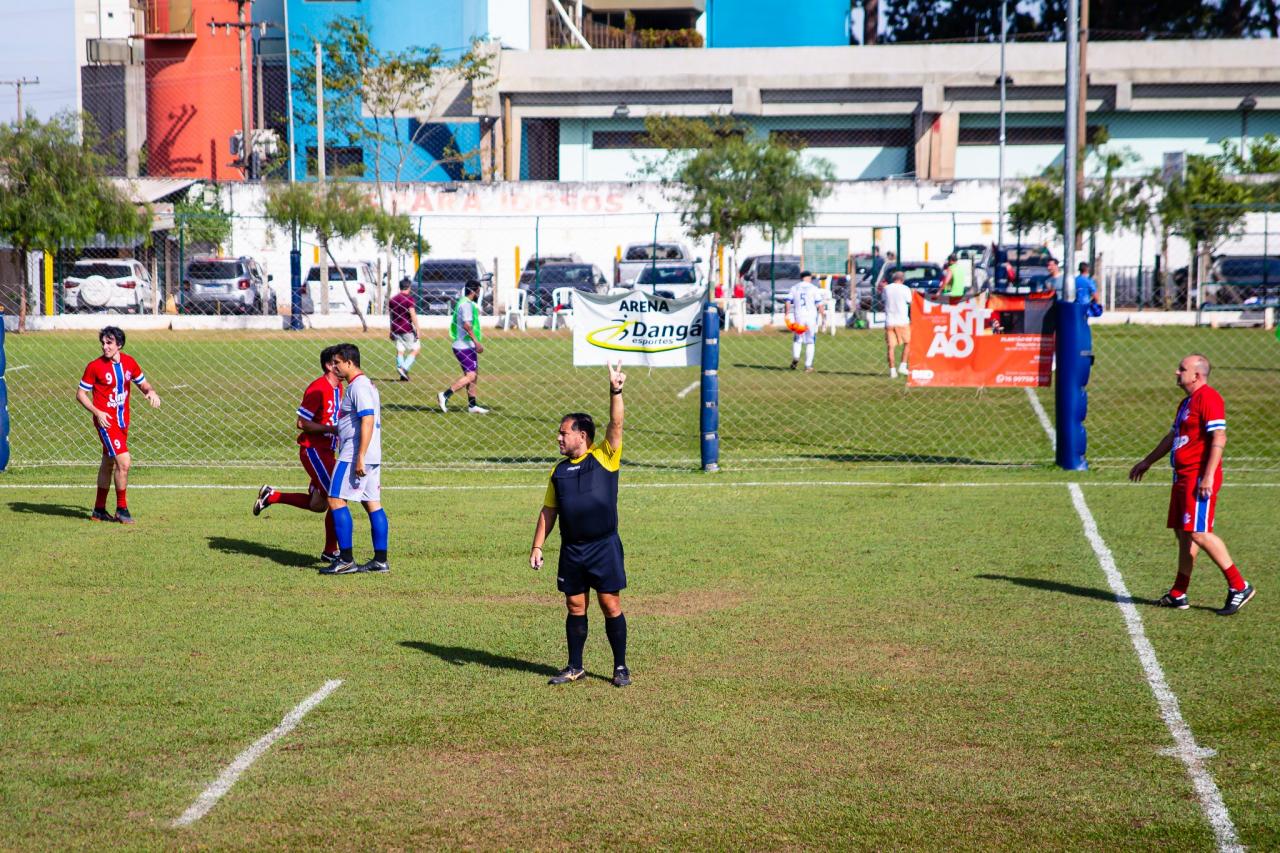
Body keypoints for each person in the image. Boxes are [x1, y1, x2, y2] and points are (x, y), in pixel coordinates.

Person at [1128, 354, 1255, 615]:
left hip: (1198, 476)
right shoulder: (1186, 403)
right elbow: (1173, 435)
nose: (1177, 372)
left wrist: (1208, 476)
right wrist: (1147, 461)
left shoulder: (1209, 398)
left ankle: (1239, 585)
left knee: (1198, 532)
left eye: (1182, 369)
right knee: (1184, 533)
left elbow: (1219, 435)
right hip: (1182, 476)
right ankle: (1178, 592)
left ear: (1196, 375)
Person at [530, 363, 631, 688]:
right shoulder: (558, 472)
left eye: (564, 432)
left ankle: (619, 667)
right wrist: (537, 546)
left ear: (582, 436)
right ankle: (575, 666)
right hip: (573, 550)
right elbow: (548, 512)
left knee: (609, 603)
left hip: (603, 546)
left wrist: (615, 390)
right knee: (575, 605)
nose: (559, 437)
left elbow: (616, 423)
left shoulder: (604, 456)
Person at [253, 345, 343, 562]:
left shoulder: (340, 388)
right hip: (314, 450)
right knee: (337, 495)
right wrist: (331, 429)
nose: (344, 365)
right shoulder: (317, 388)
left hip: (328, 452)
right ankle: (331, 551)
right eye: (340, 361)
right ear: (329, 365)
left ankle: (272, 496)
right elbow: (301, 422)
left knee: (318, 505)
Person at [76, 326, 161, 523]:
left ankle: (98, 510)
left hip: (123, 422)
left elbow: (143, 383)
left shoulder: (129, 363)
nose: (105, 347)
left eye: (109, 343)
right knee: (124, 462)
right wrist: (97, 412)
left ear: (119, 345)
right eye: (103, 343)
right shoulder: (94, 366)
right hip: (106, 422)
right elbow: (80, 394)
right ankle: (122, 510)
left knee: (108, 462)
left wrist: (151, 391)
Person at [321, 343, 390, 575]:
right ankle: (380, 561)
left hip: (354, 454)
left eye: (337, 363)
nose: (334, 367)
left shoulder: (358, 387)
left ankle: (346, 560)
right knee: (372, 503)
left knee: (335, 500)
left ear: (350, 363)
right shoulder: (367, 385)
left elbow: (367, 420)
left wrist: (359, 456)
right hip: (370, 454)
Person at [437, 279, 489, 414]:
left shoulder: (463, 302)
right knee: (471, 376)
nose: (479, 293)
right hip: (464, 346)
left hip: (465, 344)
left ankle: (472, 405)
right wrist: (477, 342)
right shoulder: (466, 305)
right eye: (479, 290)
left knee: (473, 375)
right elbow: (467, 325)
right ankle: (445, 395)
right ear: (475, 291)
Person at [785, 270, 825, 372]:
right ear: (808, 278)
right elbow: (820, 305)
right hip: (811, 317)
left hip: (799, 316)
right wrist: (823, 317)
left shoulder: (794, 288)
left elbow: (788, 301)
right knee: (810, 341)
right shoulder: (814, 288)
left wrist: (787, 314)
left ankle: (796, 357)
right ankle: (808, 366)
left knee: (798, 339)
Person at [881, 270, 912, 378]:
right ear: (902, 279)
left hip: (890, 321)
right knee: (908, 343)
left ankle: (892, 371)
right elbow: (910, 301)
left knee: (891, 347)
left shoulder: (886, 288)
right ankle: (903, 365)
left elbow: (883, 300)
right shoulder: (905, 289)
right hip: (903, 321)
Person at [389, 277, 421, 381]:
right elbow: (412, 314)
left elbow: (391, 316)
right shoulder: (409, 299)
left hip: (396, 328)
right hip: (406, 328)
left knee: (400, 351)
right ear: (409, 287)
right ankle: (404, 367)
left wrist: (391, 330)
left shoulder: (393, 300)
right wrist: (418, 329)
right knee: (416, 349)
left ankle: (402, 374)